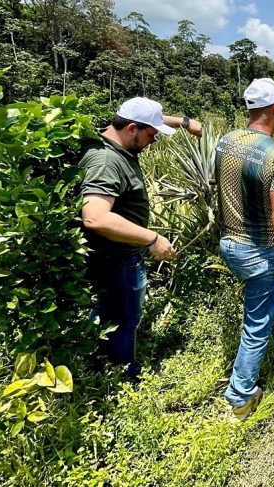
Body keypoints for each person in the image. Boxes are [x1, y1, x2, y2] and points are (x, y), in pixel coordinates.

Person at [80, 97, 201, 378]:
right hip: (117, 259)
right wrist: (152, 239)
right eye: (152, 134)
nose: (154, 140)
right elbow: (95, 216)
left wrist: (183, 122)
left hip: (116, 256)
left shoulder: (112, 137)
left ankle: (93, 359)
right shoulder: (107, 161)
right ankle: (122, 376)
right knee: (124, 319)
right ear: (132, 129)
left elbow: (146, 120)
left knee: (108, 312)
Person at [215, 78, 274, 420]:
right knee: (256, 322)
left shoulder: (226, 141)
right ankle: (240, 397)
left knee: (266, 298)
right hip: (261, 252)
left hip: (229, 244)